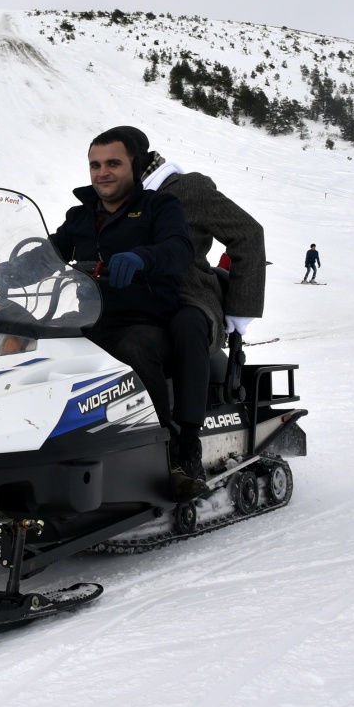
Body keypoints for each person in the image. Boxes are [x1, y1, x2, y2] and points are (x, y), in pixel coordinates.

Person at [43, 130, 193, 482]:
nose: (102, 172)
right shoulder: (79, 217)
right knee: (38, 348)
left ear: (134, 166)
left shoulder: (159, 206)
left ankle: (168, 456)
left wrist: (141, 257)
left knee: (133, 349)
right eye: (95, 165)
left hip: (147, 322)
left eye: (113, 163)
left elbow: (179, 248)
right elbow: (50, 251)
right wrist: (7, 267)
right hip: (91, 319)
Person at [121, 129, 266, 493]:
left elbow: (248, 233)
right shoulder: (115, 199)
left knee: (186, 327)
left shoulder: (188, 190)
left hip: (191, 300)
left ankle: (187, 445)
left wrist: (240, 311)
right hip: (138, 304)